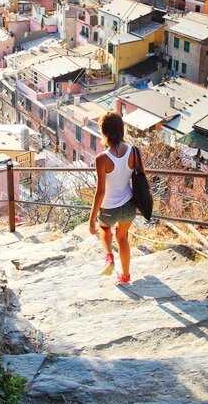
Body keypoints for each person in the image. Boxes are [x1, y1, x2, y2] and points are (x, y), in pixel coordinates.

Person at [88, 111, 138, 284]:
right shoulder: (134, 152)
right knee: (123, 237)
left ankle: (109, 257)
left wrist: (92, 218)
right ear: (121, 130)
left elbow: (100, 191)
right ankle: (125, 276)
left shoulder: (102, 159)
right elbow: (140, 178)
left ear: (104, 132)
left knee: (105, 228)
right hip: (130, 205)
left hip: (109, 207)